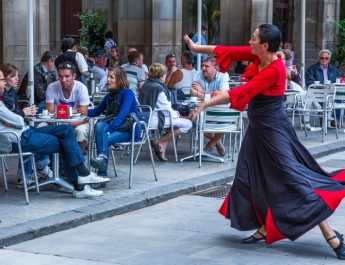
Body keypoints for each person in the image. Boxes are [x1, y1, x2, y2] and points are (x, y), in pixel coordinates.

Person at [185, 24, 345, 260]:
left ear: (265, 45)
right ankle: (264, 227)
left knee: (292, 177)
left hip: (273, 129)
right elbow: (227, 49)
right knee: (251, 175)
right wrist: (196, 47)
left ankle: (330, 234)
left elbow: (242, 91)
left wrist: (204, 103)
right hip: (258, 128)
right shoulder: (257, 54)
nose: (249, 41)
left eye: (253, 38)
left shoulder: (275, 70)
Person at [0, 69, 109, 198]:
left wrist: (18, 117)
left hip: (24, 133)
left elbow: (15, 120)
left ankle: (82, 178)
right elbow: (18, 120)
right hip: (16, 140)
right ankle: (81, 183)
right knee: (66, 143)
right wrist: (23, 113)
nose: (4, 82)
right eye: (2, 80)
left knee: (66, 130)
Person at [88, 67, 140, 177]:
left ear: (120, 79)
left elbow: (123, 113)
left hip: (129, 130)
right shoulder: (109, 95)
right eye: (108, 77)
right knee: (100, 124)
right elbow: (97, 111)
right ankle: (102, 161)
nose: (108, 80)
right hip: (115, 128)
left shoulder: (128, 93)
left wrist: (110, 129)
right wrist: (83, 111)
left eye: (111, 77)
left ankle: (101, 174)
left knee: (104, 138)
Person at [138, 63, 192, 161]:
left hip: (144, 118)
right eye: (165, 73)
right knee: (188, 123)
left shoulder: (146, 85)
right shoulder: (159, 88)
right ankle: (159, 141)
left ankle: (162, 148)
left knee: (173, 124)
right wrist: (179, 115)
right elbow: (167, 109)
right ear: (161, 75)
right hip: (154, 119)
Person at [46, 62, 90, 151]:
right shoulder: (52, 87)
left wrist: (66, 125)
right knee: (41, 126)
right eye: (61, 76)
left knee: (80, 130)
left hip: (74, 123)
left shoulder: (81, 88)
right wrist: (74, 112)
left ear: (74, 76)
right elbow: (49, 116)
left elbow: (84, 118)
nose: (63, 80)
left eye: (67, 76)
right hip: (57, 122)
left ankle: (79, 160)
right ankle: (45, 162)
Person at [191, 56, 230, 156]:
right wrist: (213, 95)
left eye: (206, 66)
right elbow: (193, 92)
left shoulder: (223, 75)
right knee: (193, 119)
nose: (203, 68)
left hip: (219, 108)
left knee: (225, 120)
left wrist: (203, 92)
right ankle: (217, 142)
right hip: (201, 108)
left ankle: (212, 143)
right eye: (202, 65)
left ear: (215, 68)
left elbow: (223, 94)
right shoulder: (197, 74)